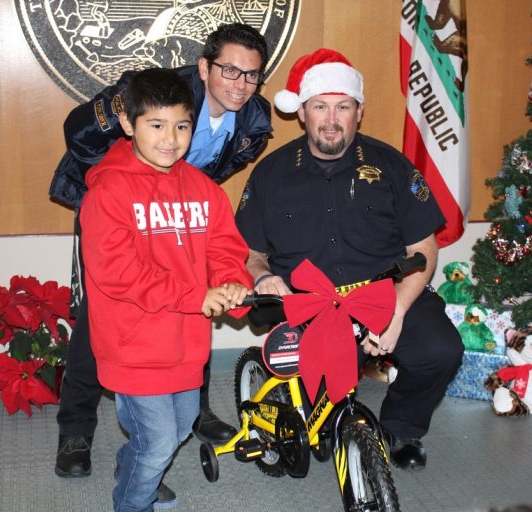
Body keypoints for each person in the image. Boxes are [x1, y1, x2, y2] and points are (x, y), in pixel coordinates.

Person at [50, 23, 271, 478]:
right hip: (124, 211)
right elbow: (79, 131)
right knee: (103, 316)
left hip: (184, 214)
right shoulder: (156, 91)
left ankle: (193, 408)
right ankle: (76, 429)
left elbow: (213, 184)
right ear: (204, 67)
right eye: (229, 70)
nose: (240, 84)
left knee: (196, 306)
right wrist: (120, 121)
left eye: (251, 75)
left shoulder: (255, 121)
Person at [235, 48, 465, 471]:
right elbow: (251, 255)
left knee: (441, 349)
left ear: (359, 112)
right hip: (311, 305)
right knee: (318, 421)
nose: (331, 119)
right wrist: (264, 276)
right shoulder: (270, 174)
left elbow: (424, 249)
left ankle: (402, 427)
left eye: (343, 106)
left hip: (384, 293)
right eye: (320, 106)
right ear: (301, 112)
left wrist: (397, 308)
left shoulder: (392, 166)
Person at [80, 67, 252, 511]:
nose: (170, 139)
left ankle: (133, 463)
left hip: (186, 344)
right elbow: (116, 270)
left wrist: (232, 282)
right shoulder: (109, 191)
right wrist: (195, 296)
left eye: (181, 126)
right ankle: (132, 502)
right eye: (156, 125)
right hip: (133, 344)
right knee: (157, 442)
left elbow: (224, 248)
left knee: (178, 429)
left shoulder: (202, 189)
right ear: (127, 124)